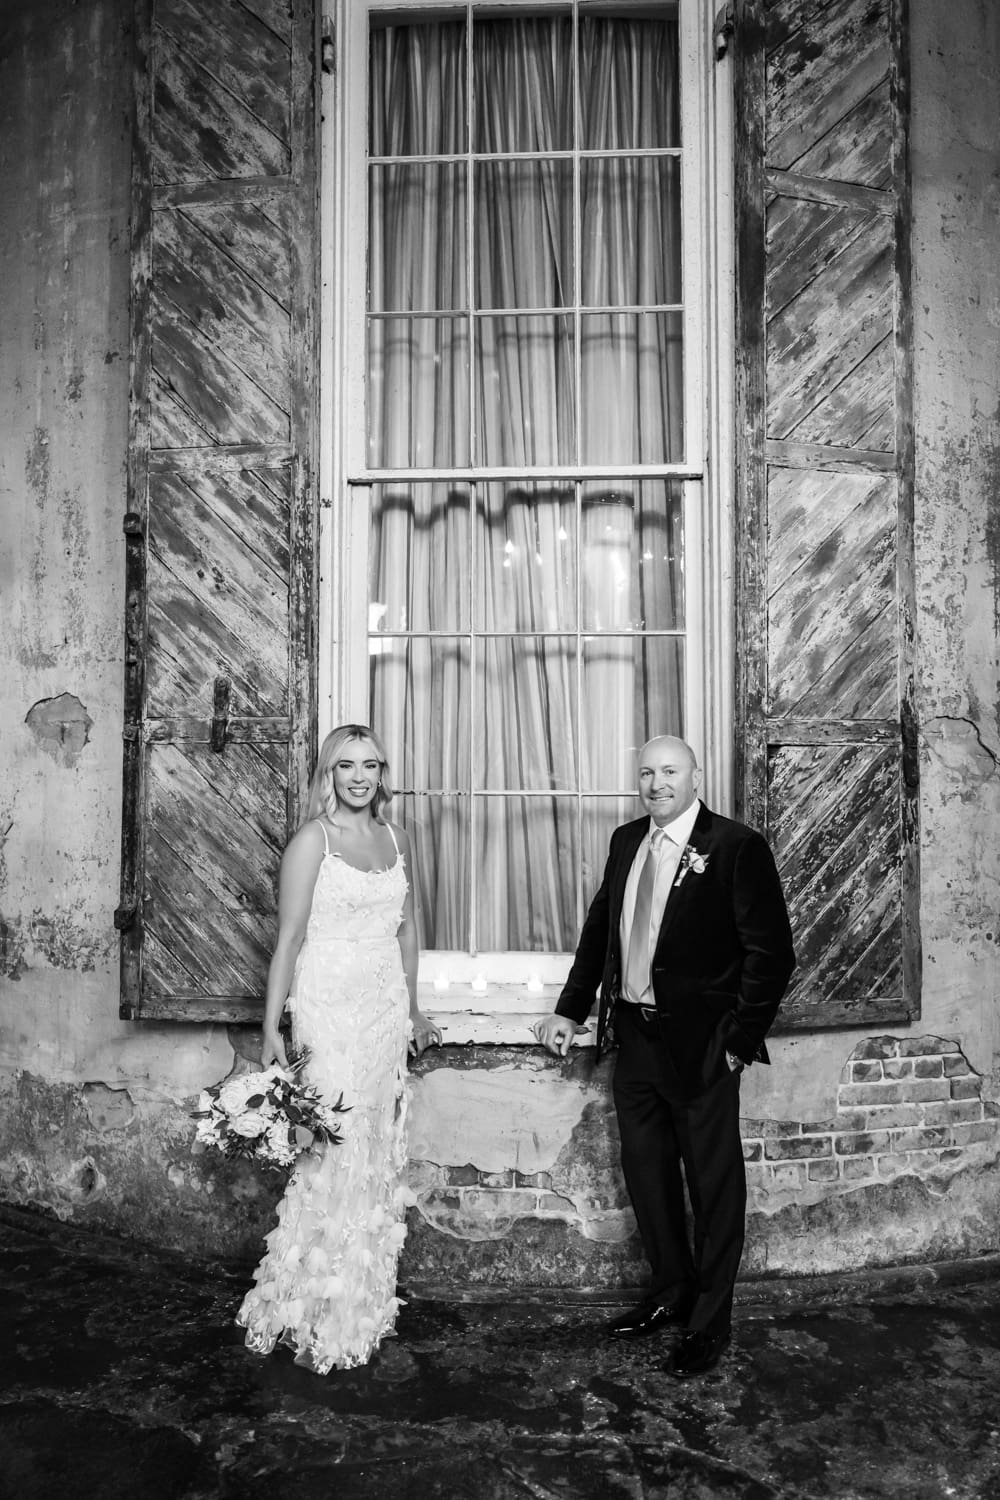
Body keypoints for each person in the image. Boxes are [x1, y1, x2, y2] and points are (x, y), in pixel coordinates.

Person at [534, 735, 794, 1378]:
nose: (657, 783)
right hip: (635, 1039)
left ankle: (710, 1320)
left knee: (712, 1184)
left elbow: (772, 956)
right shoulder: (627, 841)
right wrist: (571, 1009)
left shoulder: (736, 847)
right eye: (647, 772)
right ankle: (670, 1292)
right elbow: (601, 933)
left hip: (703, 1047)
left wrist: (736, 1042)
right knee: (647, 1177)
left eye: (670, 771)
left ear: (695, 776)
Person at [237, 723, 441, 1372]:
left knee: (374, 1151)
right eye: (346, 764)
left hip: (381, 1013)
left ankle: (360, 1303)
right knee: (332, 1150)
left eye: (371, 764)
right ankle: (304, 1306)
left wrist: (410, 1009)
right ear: (329, 773)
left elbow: (406, 932)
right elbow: (290, 938)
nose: (359, 775)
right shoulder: (311, 843)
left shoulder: (395, 838)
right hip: (328, 1010)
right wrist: (272, 1027)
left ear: (383, 773)